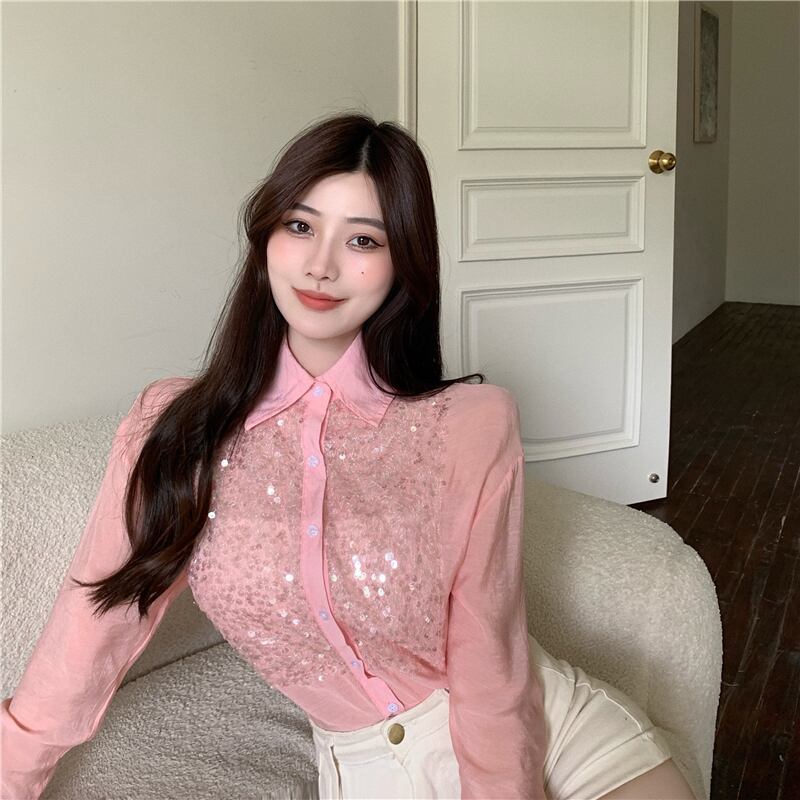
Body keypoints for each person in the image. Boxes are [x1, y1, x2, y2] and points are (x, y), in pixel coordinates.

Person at [0, 112, 697, 800]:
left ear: (402, 263)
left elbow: (490, 642)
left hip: (557, 731)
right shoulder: (173, 427)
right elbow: (94, 619)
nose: (321, 265)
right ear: (266, 237)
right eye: (300, 226)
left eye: (363, 239)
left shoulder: (472, 423)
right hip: (370, 766)